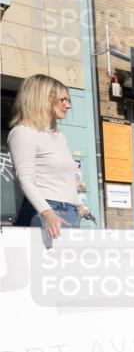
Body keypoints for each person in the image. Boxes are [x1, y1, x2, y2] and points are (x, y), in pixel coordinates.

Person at [8, 74, 91, 240]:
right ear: (43, 98)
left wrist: (78, 205)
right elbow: (25, 180)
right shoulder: (23, 132)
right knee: (39, 265)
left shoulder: (59, 137)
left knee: (67, 265)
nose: (68, 106)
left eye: (69, 101)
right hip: (44, 212)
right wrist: (47, 213)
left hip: (70, 212)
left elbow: (67, 179)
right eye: (63, 100)